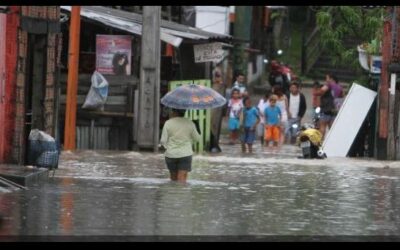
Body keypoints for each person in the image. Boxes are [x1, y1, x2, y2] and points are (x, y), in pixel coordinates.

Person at [160, 108, 201, 183]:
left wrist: (168, 148)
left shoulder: (168, 123)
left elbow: (163, 141)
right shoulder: (190, 123)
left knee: (173, 180)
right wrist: (197, 126)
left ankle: (173, 194)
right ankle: (181, 194)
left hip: (171, 155)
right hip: (185, 154)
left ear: (174, 112)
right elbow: (197, 139)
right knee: (182, 181)